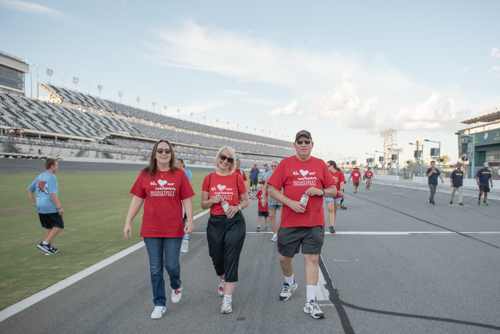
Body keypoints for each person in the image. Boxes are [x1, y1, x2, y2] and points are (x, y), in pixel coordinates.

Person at [268, 130, 336, 319]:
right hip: (290, 222)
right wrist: (290, 203)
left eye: (307, 141)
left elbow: (333, 190)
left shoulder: (320, 164)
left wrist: (321, 191)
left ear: (312, 144)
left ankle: (311, 302)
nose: (303, 144)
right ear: (295, 144)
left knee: (312, 259)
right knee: (284, 258)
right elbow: (273, 190)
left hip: (313, 222)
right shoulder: (285, 164)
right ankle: (290, 283)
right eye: (300, 141)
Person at [124, 140, 195, 320]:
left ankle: (176, 284)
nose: (164, 153)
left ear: (171, 155)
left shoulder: (179, 175)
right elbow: (137, 200)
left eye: (167, 151)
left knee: (172, 265)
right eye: (160, 150)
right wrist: (128, 221)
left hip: (173, 227)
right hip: (151, 228)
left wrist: (190, 221)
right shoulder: (145, 174)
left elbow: (187, 199)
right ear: (154, 154)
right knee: (155, 268)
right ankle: (159, 303)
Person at [201, 146, 249, 314]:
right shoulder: (208, 178)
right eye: (223, 157)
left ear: (233, 162)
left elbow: (246, 201)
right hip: (215, 222)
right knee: (216, 257)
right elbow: (203, 204)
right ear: (218, 157)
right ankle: (222, 278)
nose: (225, 161)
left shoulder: (237, 178)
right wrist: (212, 200)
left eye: (230, 159)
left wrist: (237, 207)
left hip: (234, 222)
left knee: (231, 257)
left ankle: (227, 300)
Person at [27, 158, 64, 255]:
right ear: (52, 166)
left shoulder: (40, 176)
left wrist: (33, 202)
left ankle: (49, 249)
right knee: (59, 225)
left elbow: (29, 189)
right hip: (49, 205)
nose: (57, 168)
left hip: (40, 206)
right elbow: (52, 193)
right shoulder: (52, 177)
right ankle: (45, 243)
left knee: (49, 227)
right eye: (56, 165)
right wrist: (59, 207)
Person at [261, 160, 282, 242]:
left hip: (281, 198)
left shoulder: (282, 174)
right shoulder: (269, 175)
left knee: (283, 217)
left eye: (275, 166)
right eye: (272, 166)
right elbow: (265, 188)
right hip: (271, 199)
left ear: (278, 166)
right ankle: (275, 233)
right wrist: (263, 199)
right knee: (272, 217)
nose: (273, 167)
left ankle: (283, 232)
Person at [324, 160, 345, 234]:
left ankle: (332, 224)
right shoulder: (326, 173)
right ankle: (331, 226)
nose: (327, 167)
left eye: (328, 166)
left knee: (335, 211)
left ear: (332, 166)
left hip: (337, 194)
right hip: (328, 193)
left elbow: (342, 182)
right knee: (330, 209)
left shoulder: (340, 173)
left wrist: (341, 189)